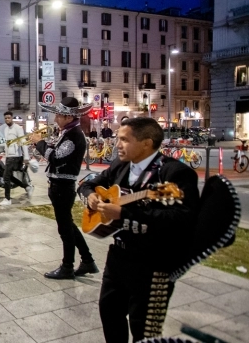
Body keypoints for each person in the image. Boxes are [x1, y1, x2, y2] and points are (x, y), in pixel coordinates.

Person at [79, 117, 200, 342]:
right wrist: (92, 197)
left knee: (145, 329)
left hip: (156, 262)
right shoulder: (119, 165)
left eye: (124, 139)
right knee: (109, 312)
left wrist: (124, 213)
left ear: (147, 143)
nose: (117, 144)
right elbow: (86, 184)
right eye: (118, 139)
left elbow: (183, 217)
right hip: (119, 256)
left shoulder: (175, 173)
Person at [30, 97, 98, 280]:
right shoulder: (66, 132)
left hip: (63, 187)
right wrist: (40, 145)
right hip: (58, 186)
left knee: (65, 228)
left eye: (58, 115)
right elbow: (52, 153)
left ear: (69, 117)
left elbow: (56, 157)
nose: (55, 119)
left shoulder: (74, 135)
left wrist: (39, 142)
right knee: (68, 225)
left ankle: (68, 266)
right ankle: (87, 260)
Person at [0, 111, 32, 206]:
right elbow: (7, 143)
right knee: (9, 176)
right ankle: (27, 186)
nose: (7, 119)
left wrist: (26, 157)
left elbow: (23, 142)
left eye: (9, 118)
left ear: (12, 118)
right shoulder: (5, 129)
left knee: (6, 177)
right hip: (9, 157)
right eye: (6, 118)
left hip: (16, 157)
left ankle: (7, 199)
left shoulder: (18, 128)